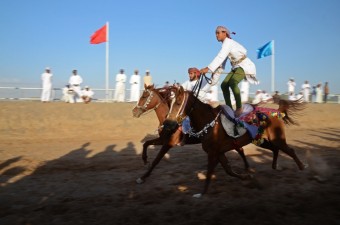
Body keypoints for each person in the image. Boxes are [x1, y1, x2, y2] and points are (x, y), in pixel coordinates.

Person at [200, 25, 257, 117]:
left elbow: (220, 57)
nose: (216, 35)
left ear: (225, 33)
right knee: (224, 85)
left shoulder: (228, 43)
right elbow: (221, 64)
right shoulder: (225, 45)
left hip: (244, 66)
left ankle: (239, 108)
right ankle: (229, 108)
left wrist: (208, 68)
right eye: (216, 33)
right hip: (236, 67)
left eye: (218, 33)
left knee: (233, 83)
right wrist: (214, 78)